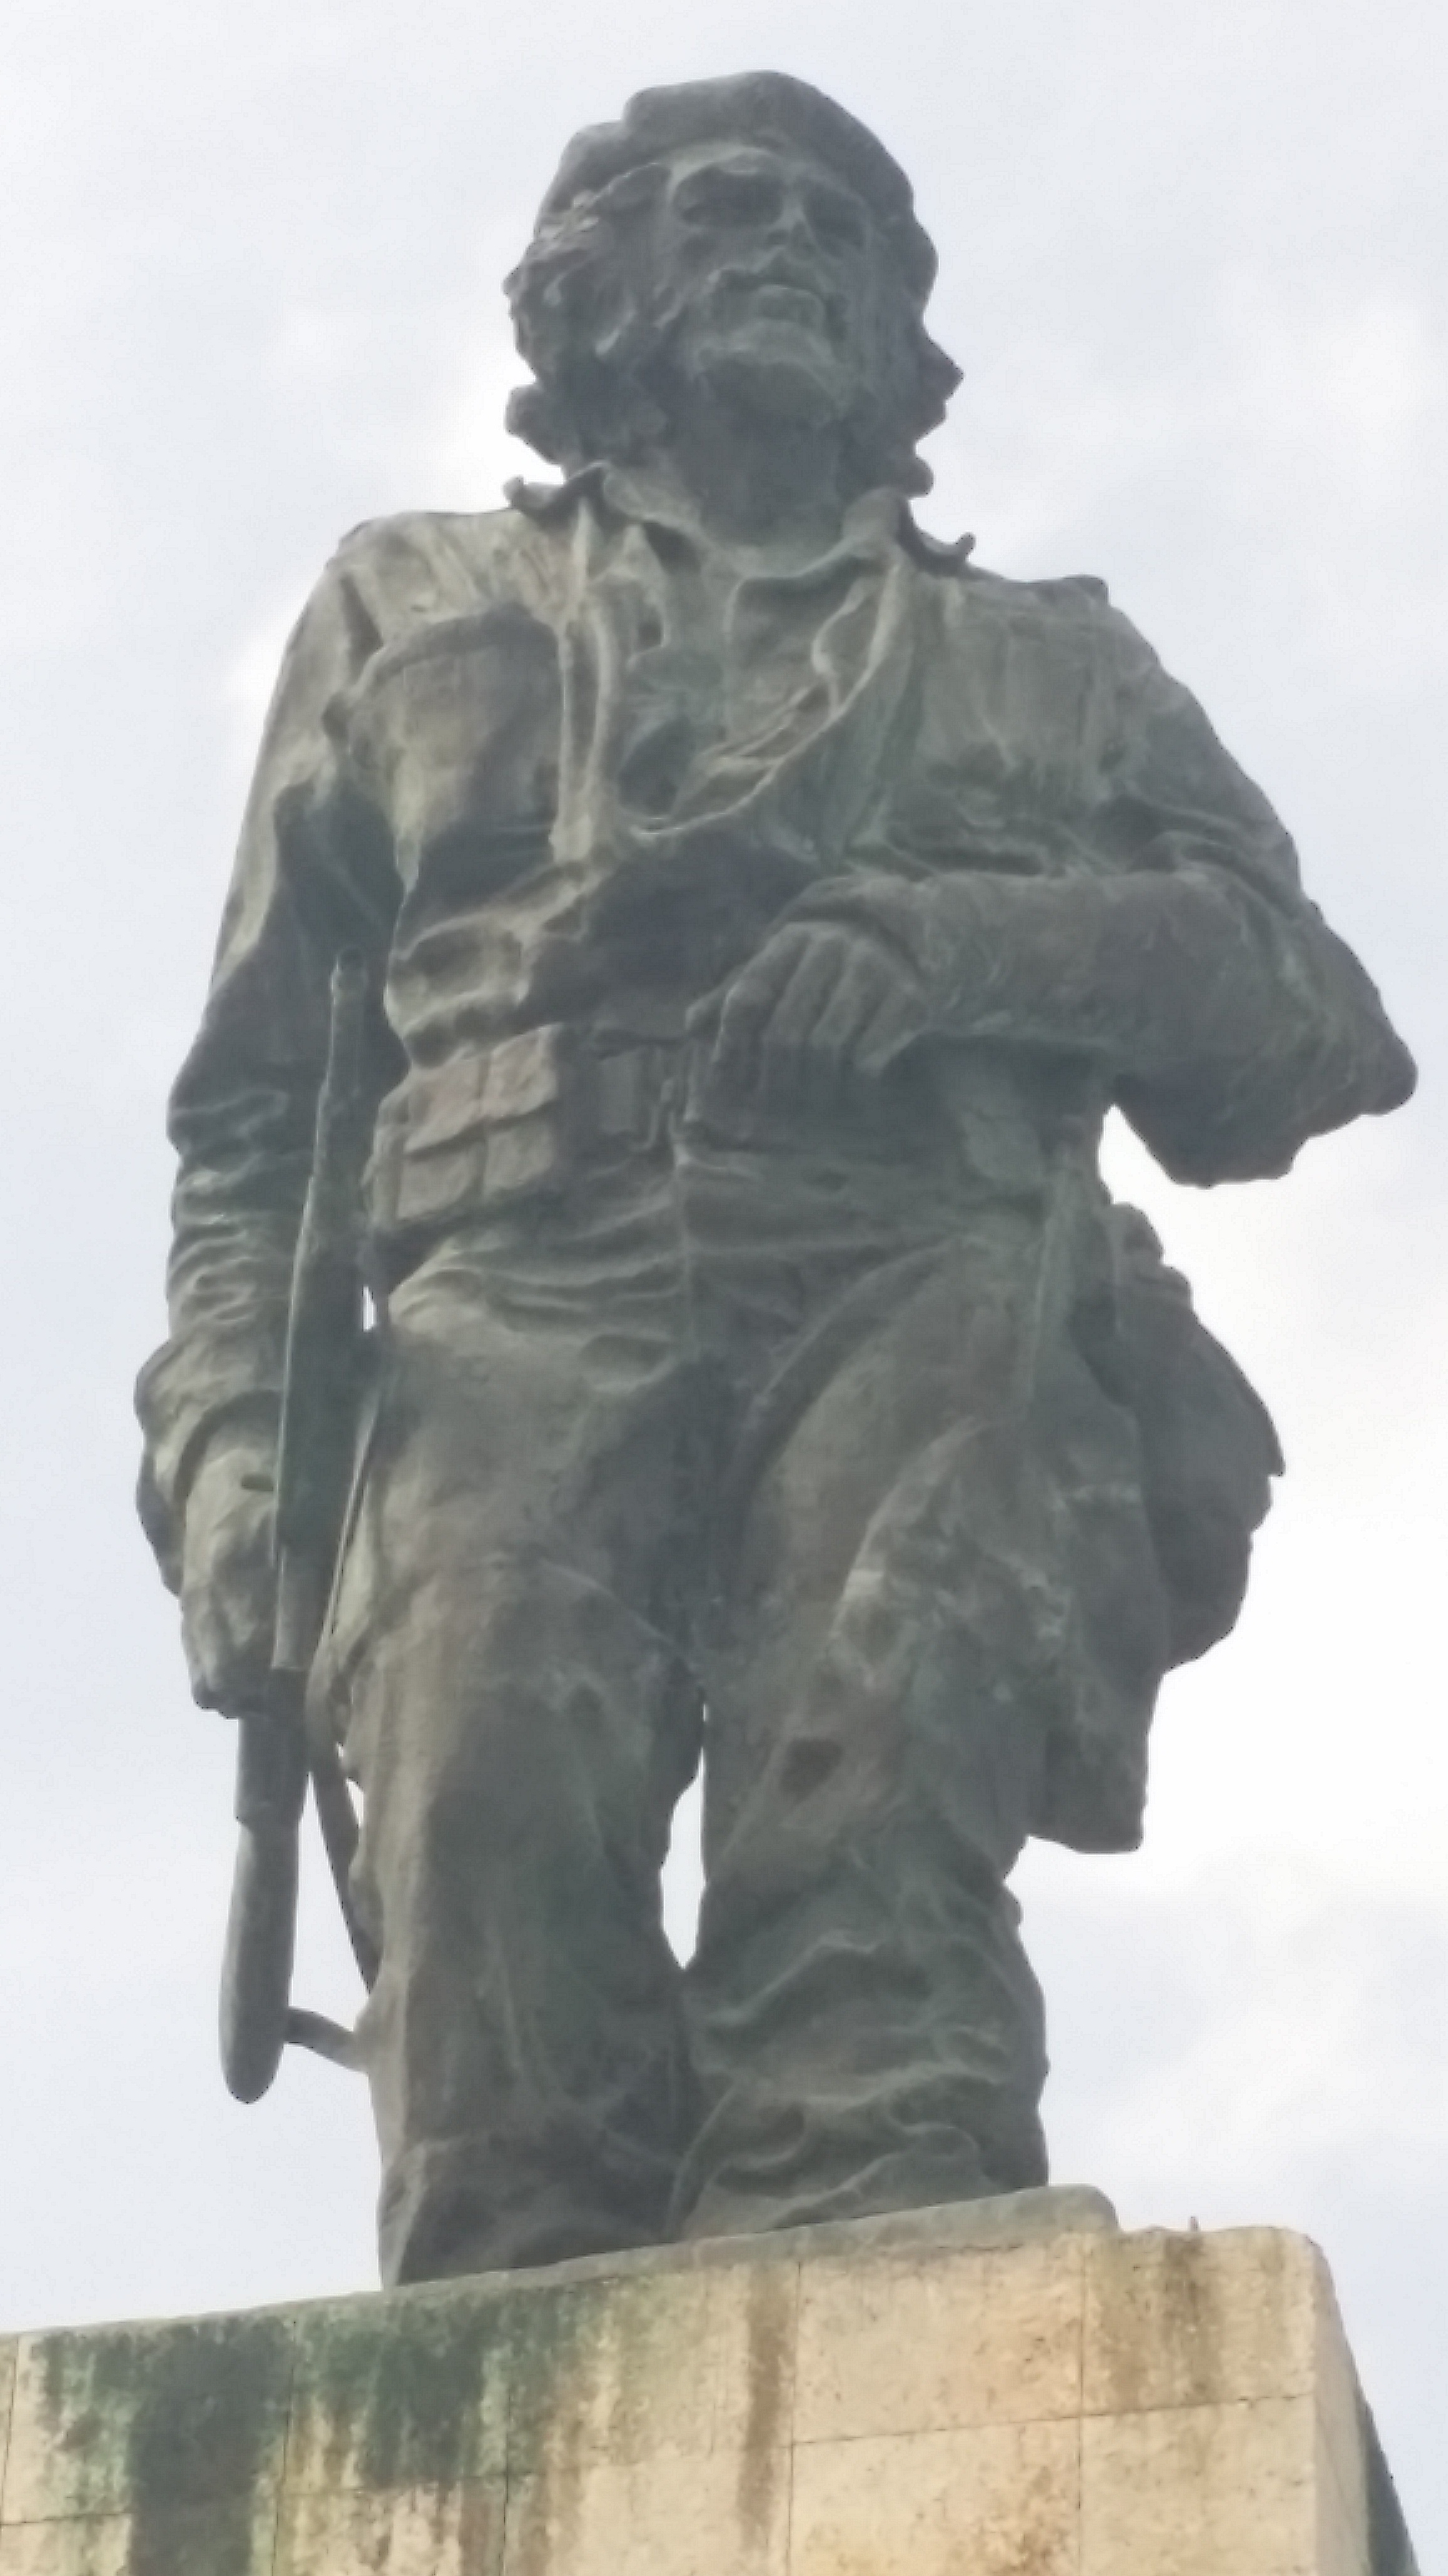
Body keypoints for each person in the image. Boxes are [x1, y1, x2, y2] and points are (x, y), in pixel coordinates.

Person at [138, 72, 1414, 2284]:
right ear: (595, 291)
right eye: (736, 209)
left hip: (920, 1286)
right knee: (487, 1915)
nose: (799, 252)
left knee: (876, 1953)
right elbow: (257, 1121)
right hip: (506, 1299)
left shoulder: (1049, 665)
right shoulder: (414, 605)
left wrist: (965, 948)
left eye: (851, 236)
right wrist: (236, 1459)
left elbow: (1312, 1019)